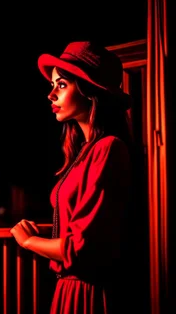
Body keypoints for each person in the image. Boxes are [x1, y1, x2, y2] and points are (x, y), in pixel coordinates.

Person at [10, 41, 134, 313]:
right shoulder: (85, 151)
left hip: (88, 292)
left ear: (90, 91)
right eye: (52, 85)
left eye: (62, 85)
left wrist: (28, 241)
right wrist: (44, 229)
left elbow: (81, 248)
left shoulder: (108, 149)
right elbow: (81, 226)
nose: (51, 94)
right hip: (69, 289)